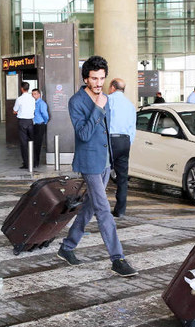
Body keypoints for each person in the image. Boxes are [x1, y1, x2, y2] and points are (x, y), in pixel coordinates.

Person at [57, 56, 138, 278]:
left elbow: (106, 132)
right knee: (103, 209)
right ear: (86, 78)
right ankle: (117, 258)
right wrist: (98, 109)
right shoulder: (76, 101)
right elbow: (83, 134)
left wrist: (111, 160)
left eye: (102, 78)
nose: (99, 82)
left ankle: (67, 247)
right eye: (94, 78)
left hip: (104, 160)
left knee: (91, 207)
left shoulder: (106, 98)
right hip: (90, 162)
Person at [108, 78, 136, 218]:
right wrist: (128, 142)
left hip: (110, 140)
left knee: (101, 174)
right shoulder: (130, 105)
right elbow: (133, 127)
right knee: (122, 178)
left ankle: (98, 208)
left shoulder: (107, 100)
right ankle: (120, 210)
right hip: (125, 141)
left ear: (112, 87)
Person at [13, 81, 35, 169]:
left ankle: (26, 163)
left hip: (22, 122)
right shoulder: (32, 99)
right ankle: (33, 162)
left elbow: (15, 110)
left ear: (21, 88)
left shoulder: (19, 99)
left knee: (24, 143)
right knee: (31, 142)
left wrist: (17, 111)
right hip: (30, 121)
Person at [31, 88, 49, 168]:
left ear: (39, 94)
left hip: (40, 125)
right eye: (32, 94)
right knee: (33, 144)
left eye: (35, 94)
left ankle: (36, 162)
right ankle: (33, 161)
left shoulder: (41, 103)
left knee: (37, 144)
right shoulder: (32, 103)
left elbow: (45, 115)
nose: (33, 95)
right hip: (33, 125)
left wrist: (44, 122)